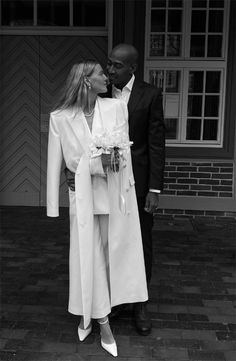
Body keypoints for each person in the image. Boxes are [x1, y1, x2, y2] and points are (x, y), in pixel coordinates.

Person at [46, 60, 148, 357]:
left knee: (111, 256)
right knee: (87, 258)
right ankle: (100, 322)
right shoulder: (60, 118)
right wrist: (55, 204)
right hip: (83, 198)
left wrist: (106, 164)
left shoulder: (116, 108)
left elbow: (123, 154)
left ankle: (91, 313)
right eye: (102, 73)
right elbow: (57, 163)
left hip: (115, 196)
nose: (107, 76)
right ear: (87, 81)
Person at [65, 45, 165, 336]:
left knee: (140, 242)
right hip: (105, 184)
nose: (109, 71)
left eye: (116, 66)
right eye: (108, 65)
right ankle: (115, 298)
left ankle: (140, 303)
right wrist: (71, 172)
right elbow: (79, 137)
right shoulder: (102, 95)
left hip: (138, 184)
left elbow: (156, 144)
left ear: (132, 68)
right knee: (111, 242)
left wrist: (154, 189)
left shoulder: (150, 95)